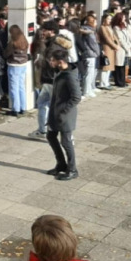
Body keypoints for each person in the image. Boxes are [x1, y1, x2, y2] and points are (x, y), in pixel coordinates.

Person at [45, 49, 81, 180]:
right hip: (55, 113)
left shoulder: (69, 76)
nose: (50, 62)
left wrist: (64, 110)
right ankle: (61, 164)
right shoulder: (60, 72)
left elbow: (76, 97)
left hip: (65, 115)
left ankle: (72, 169)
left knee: (66, 141)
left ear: (60, 62)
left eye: (53, 60)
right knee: (51, 136)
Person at [5, 25, 29, 117]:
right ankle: (23, 107)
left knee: (14, 88)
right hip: (23, 65)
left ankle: (15, 109)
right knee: (21, 87)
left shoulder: (13, 43)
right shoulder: (24, 41)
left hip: (14, 65)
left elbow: (7, 53)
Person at [80, 15, 100, 99]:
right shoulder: (89, 31)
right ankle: (86, 91)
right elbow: (93, 44)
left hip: (88, 53)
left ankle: (89, 89)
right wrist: (97, 52)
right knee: (89, 73)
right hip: (90, 54)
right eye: (95, 21)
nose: (96, 23)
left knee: (89, 73)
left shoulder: (86, 29)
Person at [98, 14, 118, 91]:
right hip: (106, 48)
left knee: (109, 67)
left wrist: (117, 44)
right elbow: (107, 39)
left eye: (110, 19)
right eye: (108, 19)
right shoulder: (102, 28)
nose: (110, 20)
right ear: (104, 19)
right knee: (105, 66)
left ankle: (106, 82)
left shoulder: (109, 27)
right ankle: (102, 83)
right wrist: (115, 46)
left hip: (111, 48)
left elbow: (114, 37)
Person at [112, 12, 129, 88]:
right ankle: (119, 82)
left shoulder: (123, 26)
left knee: (122, 65)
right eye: (123, 17)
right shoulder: (116, 28)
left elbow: (126, 36)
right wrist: (127, 47)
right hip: (120, 49)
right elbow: (120, 39)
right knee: (119, 66)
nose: (124, 18)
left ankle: (122, 81)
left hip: (124, 49)